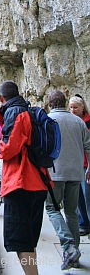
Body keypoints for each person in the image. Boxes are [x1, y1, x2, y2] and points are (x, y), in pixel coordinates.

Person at [0, 80, 50, 275]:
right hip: (38, 181)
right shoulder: (29, 110)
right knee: (28, 240)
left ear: (1, 98)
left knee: (21, 242)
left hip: (21, 184)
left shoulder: (15, 113)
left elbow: (10, 148)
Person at [46, 90, 90, 270]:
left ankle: (68, 246)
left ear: (50, 104)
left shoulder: (47, 120)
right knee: (72, 212)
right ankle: (74, 255)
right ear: (64, 103)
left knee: (52, 208)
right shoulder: (78, 121)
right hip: (76, 171)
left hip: (54, 173)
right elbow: (88, 146)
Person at [69, 94, 90, 236]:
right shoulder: (72, 122)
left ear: (82, 108)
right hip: (75, 163)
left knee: (87, 196)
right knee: (78, 197)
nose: (73, 110)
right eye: (70, 108)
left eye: (75, 107)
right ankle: (83, 223)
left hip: (86, 164)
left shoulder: (87, 123)